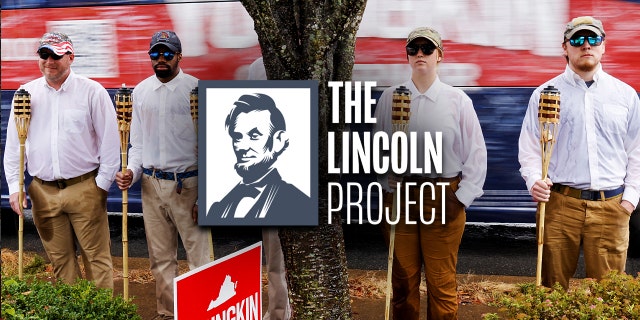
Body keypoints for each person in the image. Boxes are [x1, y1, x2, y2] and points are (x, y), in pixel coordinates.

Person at [518, 16, 640, 290]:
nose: (585, 45)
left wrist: (630, 200)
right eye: (577, 39)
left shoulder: (625, 95)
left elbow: (637, 151)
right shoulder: (545, 94)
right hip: (560, 206)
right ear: (565, 47)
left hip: (612, 206)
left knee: (609, 295)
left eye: (593, 39)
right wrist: (533, 181)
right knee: (551, 291)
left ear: (603, 46)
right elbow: (530, 148)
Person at [373, 27, 487, 319]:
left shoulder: (457, 100)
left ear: (440, 56)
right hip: (401, 199)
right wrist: (386, 186)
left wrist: (461, 198)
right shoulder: (390, 98)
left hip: (442, 196)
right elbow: (377, 149)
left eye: (427, 48)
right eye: (414, 49)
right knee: (402, 283)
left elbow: (475, 154)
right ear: (408, 56)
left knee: (442, 284)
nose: (420, 54)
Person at [3, 32, 120, 290]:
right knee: (61, 261)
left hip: (85, 187)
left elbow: (111, 144)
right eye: (44, 55)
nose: (49, 61)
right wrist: (15, 187)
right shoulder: (25, 95)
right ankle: (75, 312)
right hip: (42, 191)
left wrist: (100, 185)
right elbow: (14, 147)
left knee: (96, 259)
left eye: (56, 55)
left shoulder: (93, 92)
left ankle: (101, 315)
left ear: (70, 57)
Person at [115, 30, 210, 320]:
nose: (161, 59)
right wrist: (131, 170)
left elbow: (210, 145)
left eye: (167, 53)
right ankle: (168, 313)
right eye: (155, 54)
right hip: (151, 185)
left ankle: (201, 313)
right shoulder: (141, 92)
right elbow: (138, 144)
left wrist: (206, 194)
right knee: (160, 258)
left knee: (199, 258)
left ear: (179, 56)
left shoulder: (196, 90)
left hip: (189, 184)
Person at [206, 92, 312, 226]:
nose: (242, 147)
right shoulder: (218, 208)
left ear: (278, 140)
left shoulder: (298, 203)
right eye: (238, 137)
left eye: (254, 136)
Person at [247, 57, 291, 320]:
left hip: (305, 173)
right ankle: (277, 314)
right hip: (271, 175)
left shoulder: (311, 59)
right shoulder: (257, 67)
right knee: (275, 258)